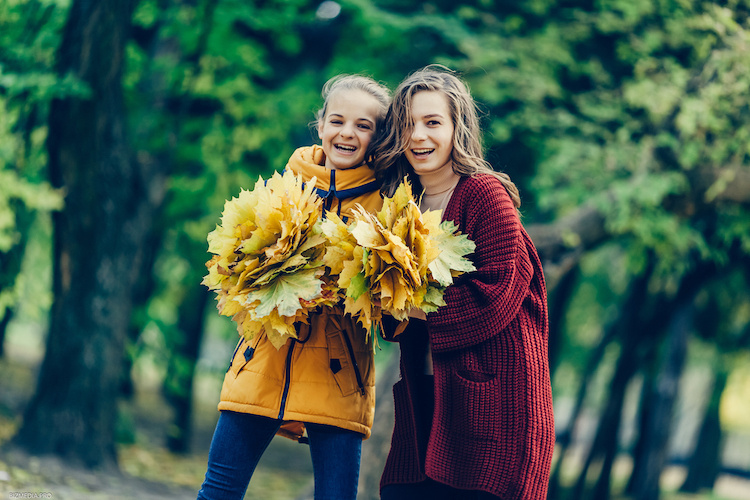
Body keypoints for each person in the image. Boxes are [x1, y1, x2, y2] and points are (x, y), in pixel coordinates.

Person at [197, 74, 391, 500]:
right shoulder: (282, 187)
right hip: (263, 361)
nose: (347, 133)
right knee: (219, 491)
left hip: (340, 377)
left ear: (379, 138)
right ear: (320, 124)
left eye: (364, 126)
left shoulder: (388, 207)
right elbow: (237, 271)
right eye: (338, 120)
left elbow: (393, 311)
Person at [371, 65, 555, 499]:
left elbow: (492, 299)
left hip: (495, 407)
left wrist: (400, 302)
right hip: (429, 397)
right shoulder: (402, 208)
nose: (418, 136)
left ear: (458, 128)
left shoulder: (486, 195)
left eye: (432, 122)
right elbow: (392, 317)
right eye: (407, 124)